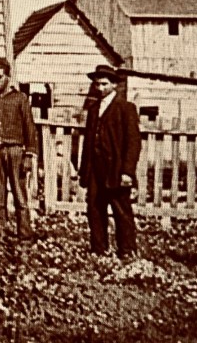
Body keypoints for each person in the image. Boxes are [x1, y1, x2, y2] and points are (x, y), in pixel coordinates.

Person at [78, 64, 141, 258]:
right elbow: (88, 142)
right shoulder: (94, 109)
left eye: (104, 84)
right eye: (97, 84)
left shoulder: (125, 108)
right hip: (96, 169)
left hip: (116, 169)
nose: (100, 88)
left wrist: (127, 172)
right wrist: (84, 171)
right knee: (95, 209)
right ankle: (99, 249)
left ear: (114, 85)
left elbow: (133, 143)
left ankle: (127, 250)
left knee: (121, 211)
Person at [0, 57, 37, 241]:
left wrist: (29, 154)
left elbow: (30, 128)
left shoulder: (20, 99)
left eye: (0, 77)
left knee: (20, 195)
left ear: (8, 76)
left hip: (15, 152)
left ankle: (25, 236)